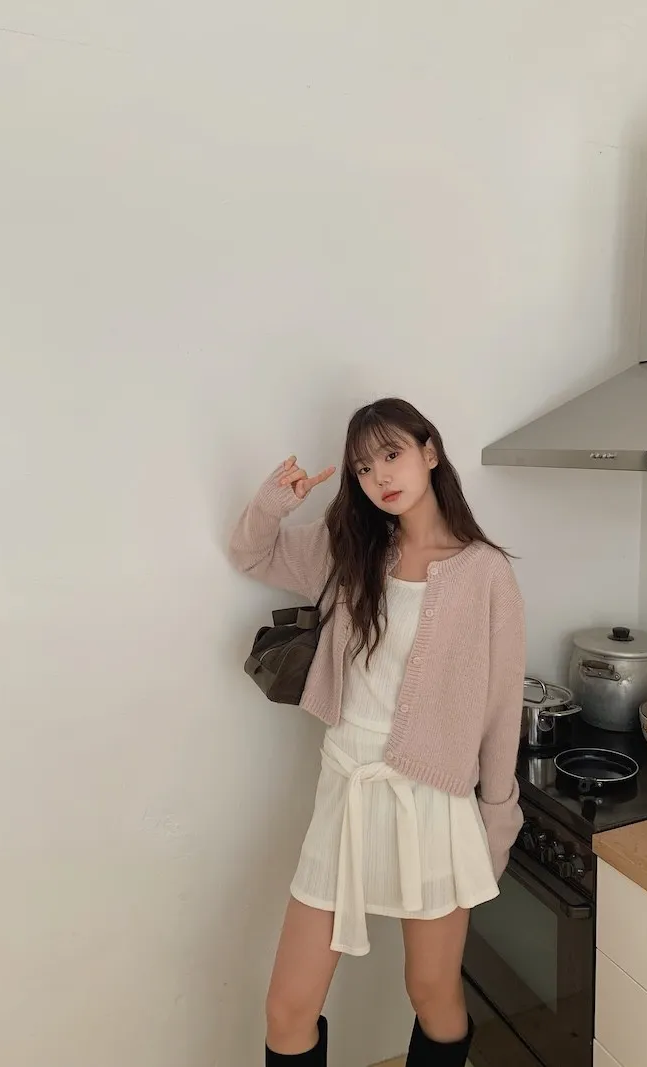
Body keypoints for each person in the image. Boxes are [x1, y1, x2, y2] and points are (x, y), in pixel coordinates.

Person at [229, 398, 525, 1067]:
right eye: (363, 467)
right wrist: (275, 501)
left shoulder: (486, 572)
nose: (380, 476)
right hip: (347, 793)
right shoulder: (349, 549)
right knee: (287, 1008)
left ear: (430, 451)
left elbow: (502, 707)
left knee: (432, 992)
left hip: (434, 803)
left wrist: (496, 819)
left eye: (392, 454)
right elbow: (250, 553)